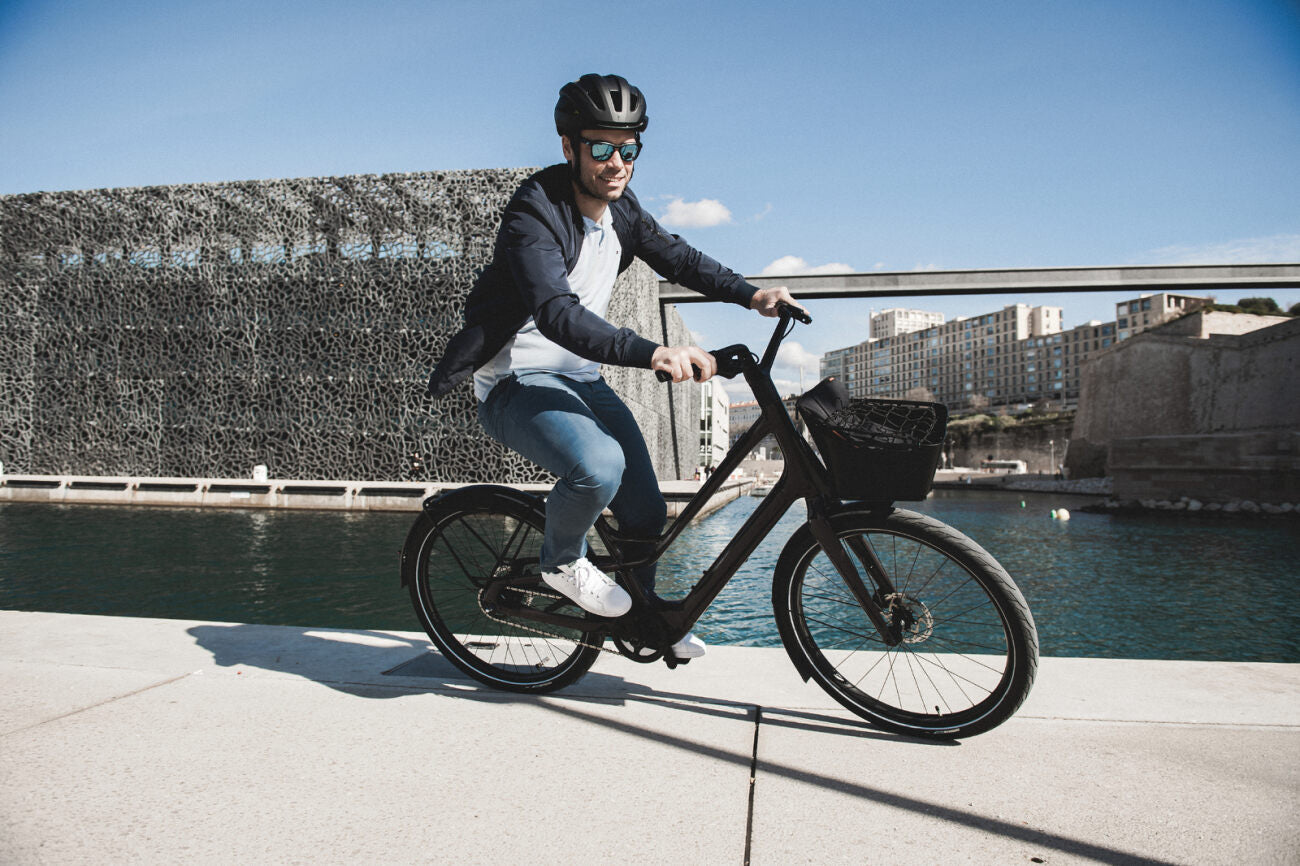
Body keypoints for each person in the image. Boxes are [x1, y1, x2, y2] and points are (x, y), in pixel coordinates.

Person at [426, 73, 804, 659]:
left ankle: (642, 619)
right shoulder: (534, 211)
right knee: (598, 466)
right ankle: (561, 563)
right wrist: (653, 351)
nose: (616, 164)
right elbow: (556, 313)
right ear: (569, 147)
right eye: (601, 148)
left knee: (646, 511)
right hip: (514, 382)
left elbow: (680, 258)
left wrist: (752, 295)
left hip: (579, 379)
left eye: (628, 150)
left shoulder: (622, 211)